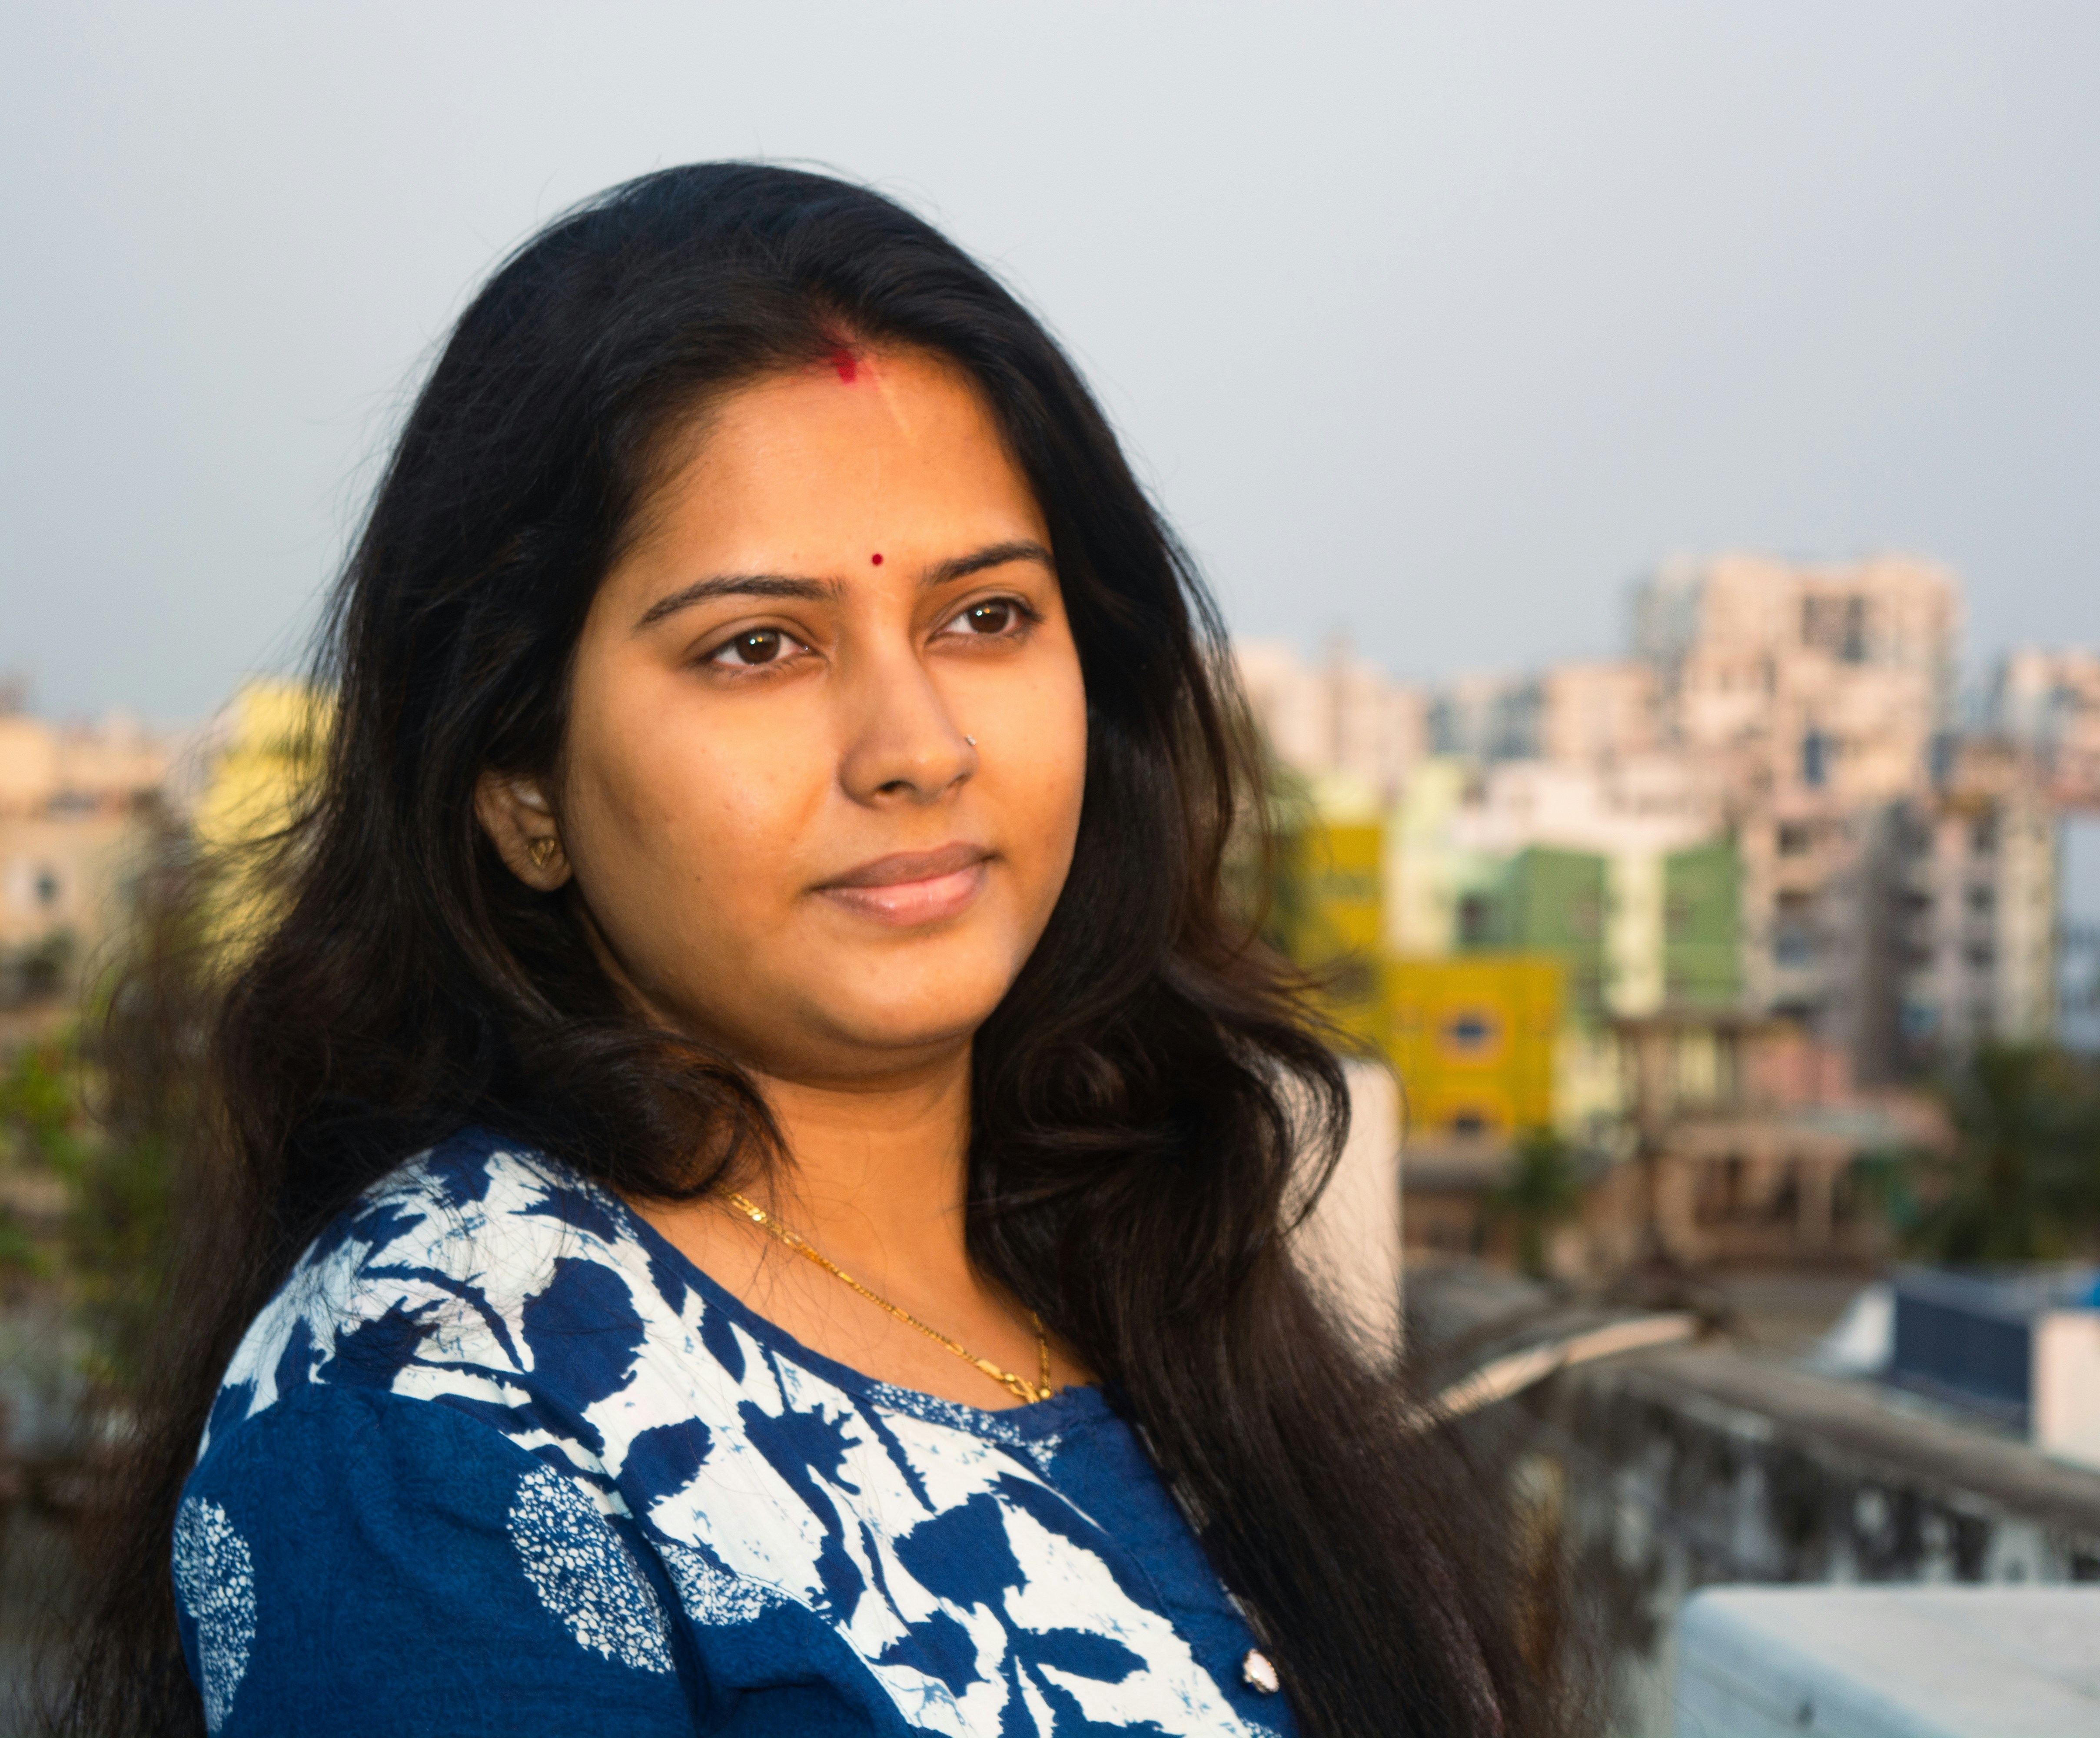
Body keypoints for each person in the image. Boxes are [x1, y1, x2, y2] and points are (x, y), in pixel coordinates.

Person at [59, 165, 1536, 1737]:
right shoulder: (433, 1392)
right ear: (519, 785)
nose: (916, 748)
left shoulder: (1146, 1266)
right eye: (758, 647)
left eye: (985, 619)